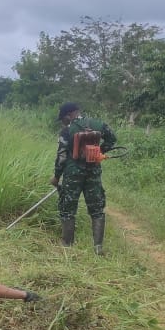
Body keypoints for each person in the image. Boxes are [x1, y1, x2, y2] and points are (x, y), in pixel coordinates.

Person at [51, 101, 117, 255]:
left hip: (72, 174)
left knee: (67, 209)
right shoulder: (98, 124)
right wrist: (97, 152)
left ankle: (67, 245)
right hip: (93, 173)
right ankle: (98, 248)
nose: (63, 121)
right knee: (97, 209)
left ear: (69, 115)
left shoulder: (66, 131)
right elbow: (112, 138)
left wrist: (56, 177)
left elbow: (61, 156)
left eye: (63, 118)